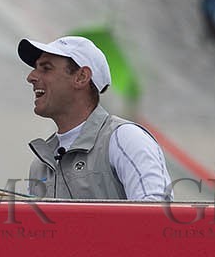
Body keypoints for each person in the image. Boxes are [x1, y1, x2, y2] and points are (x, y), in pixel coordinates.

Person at [21, 35, 169, 200]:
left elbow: (157, 215)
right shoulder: (40, 165)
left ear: (82, 77)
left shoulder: (125, 139)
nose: (31, 77)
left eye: (46, 68)